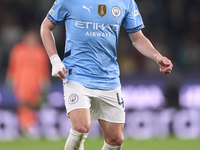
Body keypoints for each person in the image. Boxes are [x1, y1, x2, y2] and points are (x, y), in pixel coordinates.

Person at [40, 0, 173, 149]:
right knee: (80, 127)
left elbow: (138, 39)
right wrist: (55, 60)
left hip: (108, 77)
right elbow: (46, 27)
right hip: (77, 73)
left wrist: (158, 57)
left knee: (115, 140)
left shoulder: (126, 2)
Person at [6, 30, 50, 137]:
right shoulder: (18, 49)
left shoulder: (40, 51)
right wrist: (10, 79)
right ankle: (24, 127)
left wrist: (45, 81)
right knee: (22, 105)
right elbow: (12, 66)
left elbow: (44, 68)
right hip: (21, 82)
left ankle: (31, 127)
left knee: (34, 105)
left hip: (35, 83)